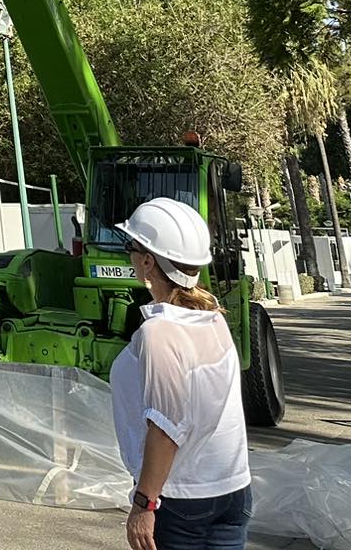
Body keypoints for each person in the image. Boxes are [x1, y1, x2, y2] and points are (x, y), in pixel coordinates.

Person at [110, 198, 253, 550]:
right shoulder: (214, 319)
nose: (129, 256)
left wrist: (144, 504)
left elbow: (166, 427)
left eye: (131, 247)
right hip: (233, 488)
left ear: (147, 261)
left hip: (182, 497)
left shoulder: (158, 332)